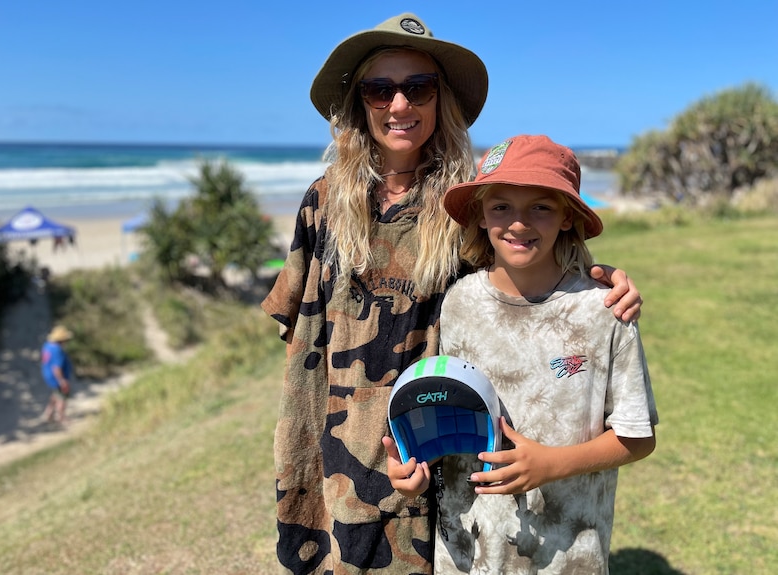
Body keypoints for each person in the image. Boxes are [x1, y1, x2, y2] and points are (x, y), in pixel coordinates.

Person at [262, 13, 642, 574]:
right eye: (379, 88)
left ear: (441, 101)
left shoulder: (462, 208)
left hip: (430, 438)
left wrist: (603, 280)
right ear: (359, 102)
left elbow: (529, 261)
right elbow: (299, 325)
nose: (399, 104)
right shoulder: (323, 201)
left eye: (418, 87)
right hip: (331, 435)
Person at [384, 134, 659, 573]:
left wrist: (550, 464)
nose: (518, 222)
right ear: (480, 215)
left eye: (541, 207)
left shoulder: (604, 310)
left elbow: (637, 437)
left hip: (568, 555)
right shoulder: (457, 304)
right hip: (467, 554)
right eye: (501, 206)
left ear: (568, 216)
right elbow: (445, 416)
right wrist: (412, 469)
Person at [40, 324, 74, 425]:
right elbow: (57, 368)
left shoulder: (47, 346)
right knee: (62, 397)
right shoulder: (57, 350)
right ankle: (62, 417)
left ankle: (48, 413)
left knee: (55, 394)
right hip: (56, 378)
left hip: (48, 375)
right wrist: (62, 381)